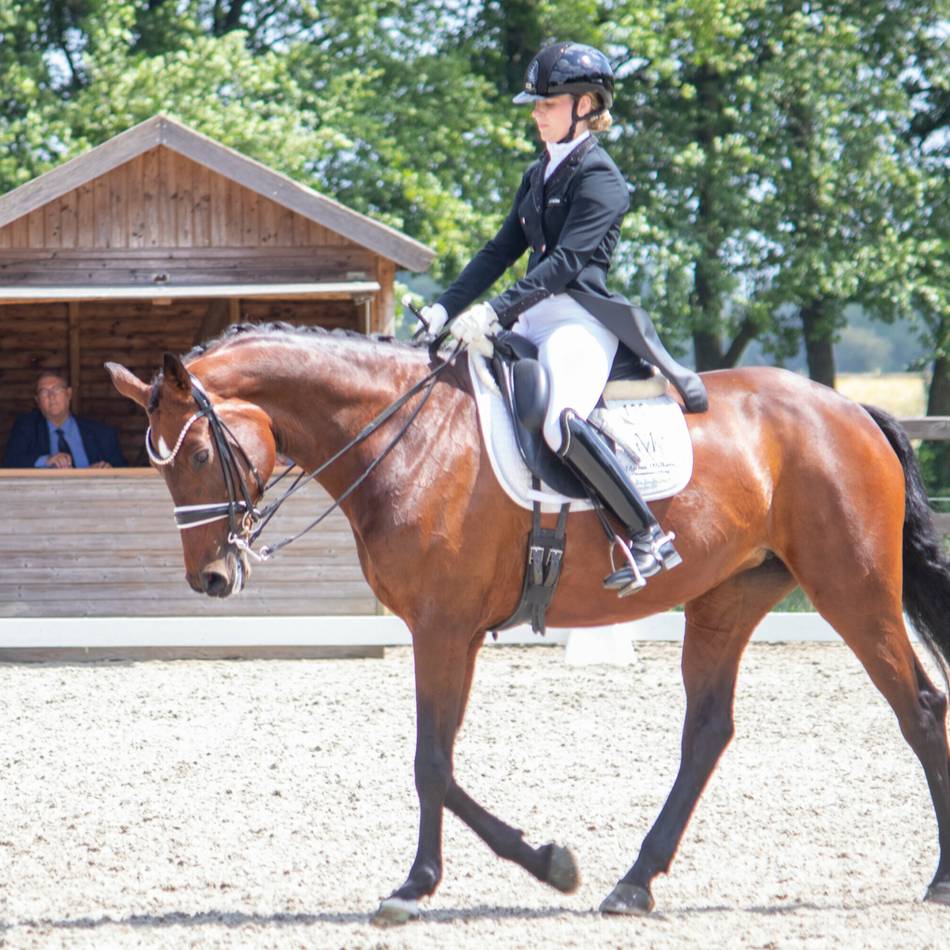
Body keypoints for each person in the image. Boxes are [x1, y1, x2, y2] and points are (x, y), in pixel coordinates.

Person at [421, 40, 708, 595]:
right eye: (536, 104)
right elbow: (498, 251)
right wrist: (445, 306)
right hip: (529, 316)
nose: (535, 112)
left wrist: (494, 311)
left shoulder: (603, 179)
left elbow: (565, 264)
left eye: (545, 105)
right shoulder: (537, 174)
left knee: (560, 419)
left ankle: (648, 534)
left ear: (584, 105)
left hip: (578, 320)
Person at [2, 370, 127, 469]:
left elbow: (122, 470)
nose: (51, 396)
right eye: (44, 392)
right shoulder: (26, 429)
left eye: (56, 389)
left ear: (69, 394)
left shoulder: (101, 432)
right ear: (38, 401)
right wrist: (46, 460)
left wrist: (105, 470)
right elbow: (10, 462)